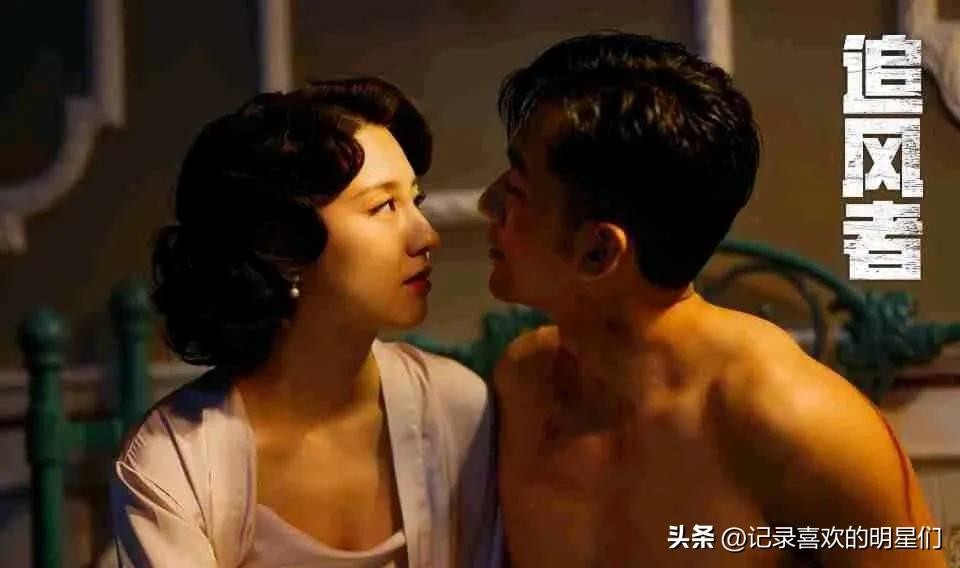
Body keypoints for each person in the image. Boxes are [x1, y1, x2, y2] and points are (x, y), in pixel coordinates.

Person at [479, 32, 943, 567]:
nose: (488, 203)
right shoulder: (524, 384)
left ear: (600, 250)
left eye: (516, 191)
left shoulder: (798, 424)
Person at [110, 78, 500, 567]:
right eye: (384, 206)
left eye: (415, 202)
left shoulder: (455, 409)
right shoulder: (178, 459)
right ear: (282, 244)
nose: (427, 235)